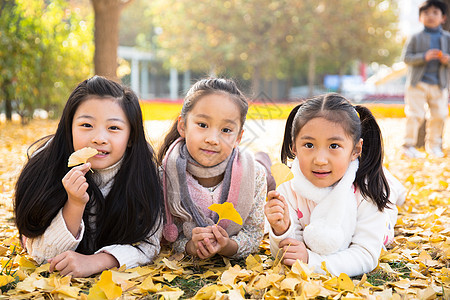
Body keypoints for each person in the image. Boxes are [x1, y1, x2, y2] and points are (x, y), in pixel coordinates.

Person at [14, 76, 163, 277]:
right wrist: (74, 204)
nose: (99, 138)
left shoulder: (144, 172)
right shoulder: (45, 167)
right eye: (86, 125)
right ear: (69, 128)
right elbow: (41, 255)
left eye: (114, 128)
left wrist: (96, 261)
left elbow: (149, 244)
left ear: (131, 137)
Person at [265, 93, 406, 277]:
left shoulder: (367, 192)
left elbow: (365, 255)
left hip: (380, 214)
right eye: (309, 145)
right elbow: (288, 253)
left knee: (389, 197)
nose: (320, 160)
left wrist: (312, 261)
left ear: (356, 150)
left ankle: (394, 185)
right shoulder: (288, 190)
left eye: (333, 146)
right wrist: (281, 229)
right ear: (294, 147)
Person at [158, 78, 266, 259]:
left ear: (238, 138)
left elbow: (254, 234)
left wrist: (228, 246)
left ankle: (264, 158)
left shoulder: (255, 176)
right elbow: (168, 233)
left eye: (226, 130)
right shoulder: (165, 176)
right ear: (183, 126)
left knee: (266, 170)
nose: (213, 139)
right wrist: (189, 246)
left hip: (250, 169)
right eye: (202, 125)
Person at [402, 0, 450, 158]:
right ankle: (408, 146)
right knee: (415, 115)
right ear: (420, 18)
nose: (430, 16)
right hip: (418, 83)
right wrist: (424, 57)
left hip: (439, 84)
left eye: (435, 13)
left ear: (443, 18)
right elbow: (406, 58)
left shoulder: (447, 38)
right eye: (426, 13)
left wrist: (446, 59)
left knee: (439, 115)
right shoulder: (415, 37)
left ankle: (434, 146)